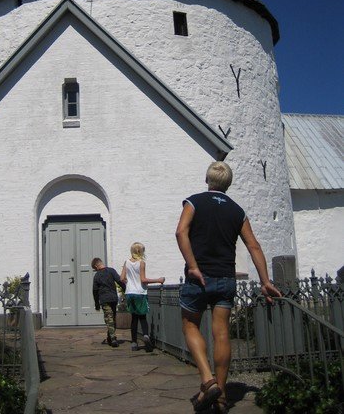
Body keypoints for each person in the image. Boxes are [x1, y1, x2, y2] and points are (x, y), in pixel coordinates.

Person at [175, 161, 281, 413]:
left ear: (207, 179)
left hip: (199, 277)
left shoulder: (193, 203)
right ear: (229, 184)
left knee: (190, 325)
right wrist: (265, 281)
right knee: (221, 333)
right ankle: (221, 396)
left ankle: (207, 379)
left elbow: (181, 232)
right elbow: (253, 245)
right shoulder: (237, 211)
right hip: (225, 278)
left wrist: (193, 265)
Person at [120, 242, 165, 352]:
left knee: (134, 318)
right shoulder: (141, 263)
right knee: (143, 317)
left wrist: (130, 283)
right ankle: (145, 335)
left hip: (129, 293)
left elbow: (122, 278)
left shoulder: (126, 262)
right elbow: (143, 280)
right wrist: (158, 280)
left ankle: (134, 343)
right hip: (140, 293)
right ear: (141, 252)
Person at [91, 257, 125, 348]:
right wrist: (125, 290)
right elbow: (120, 281)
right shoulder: (111, 271)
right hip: (113, 298)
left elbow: (95, 291)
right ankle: (110, 337)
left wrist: (96, 303)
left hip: (104, 299)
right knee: (112, 318)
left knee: (109, 318)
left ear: (96, 266)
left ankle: (112, 338)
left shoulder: (97, 276)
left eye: (94, 269)